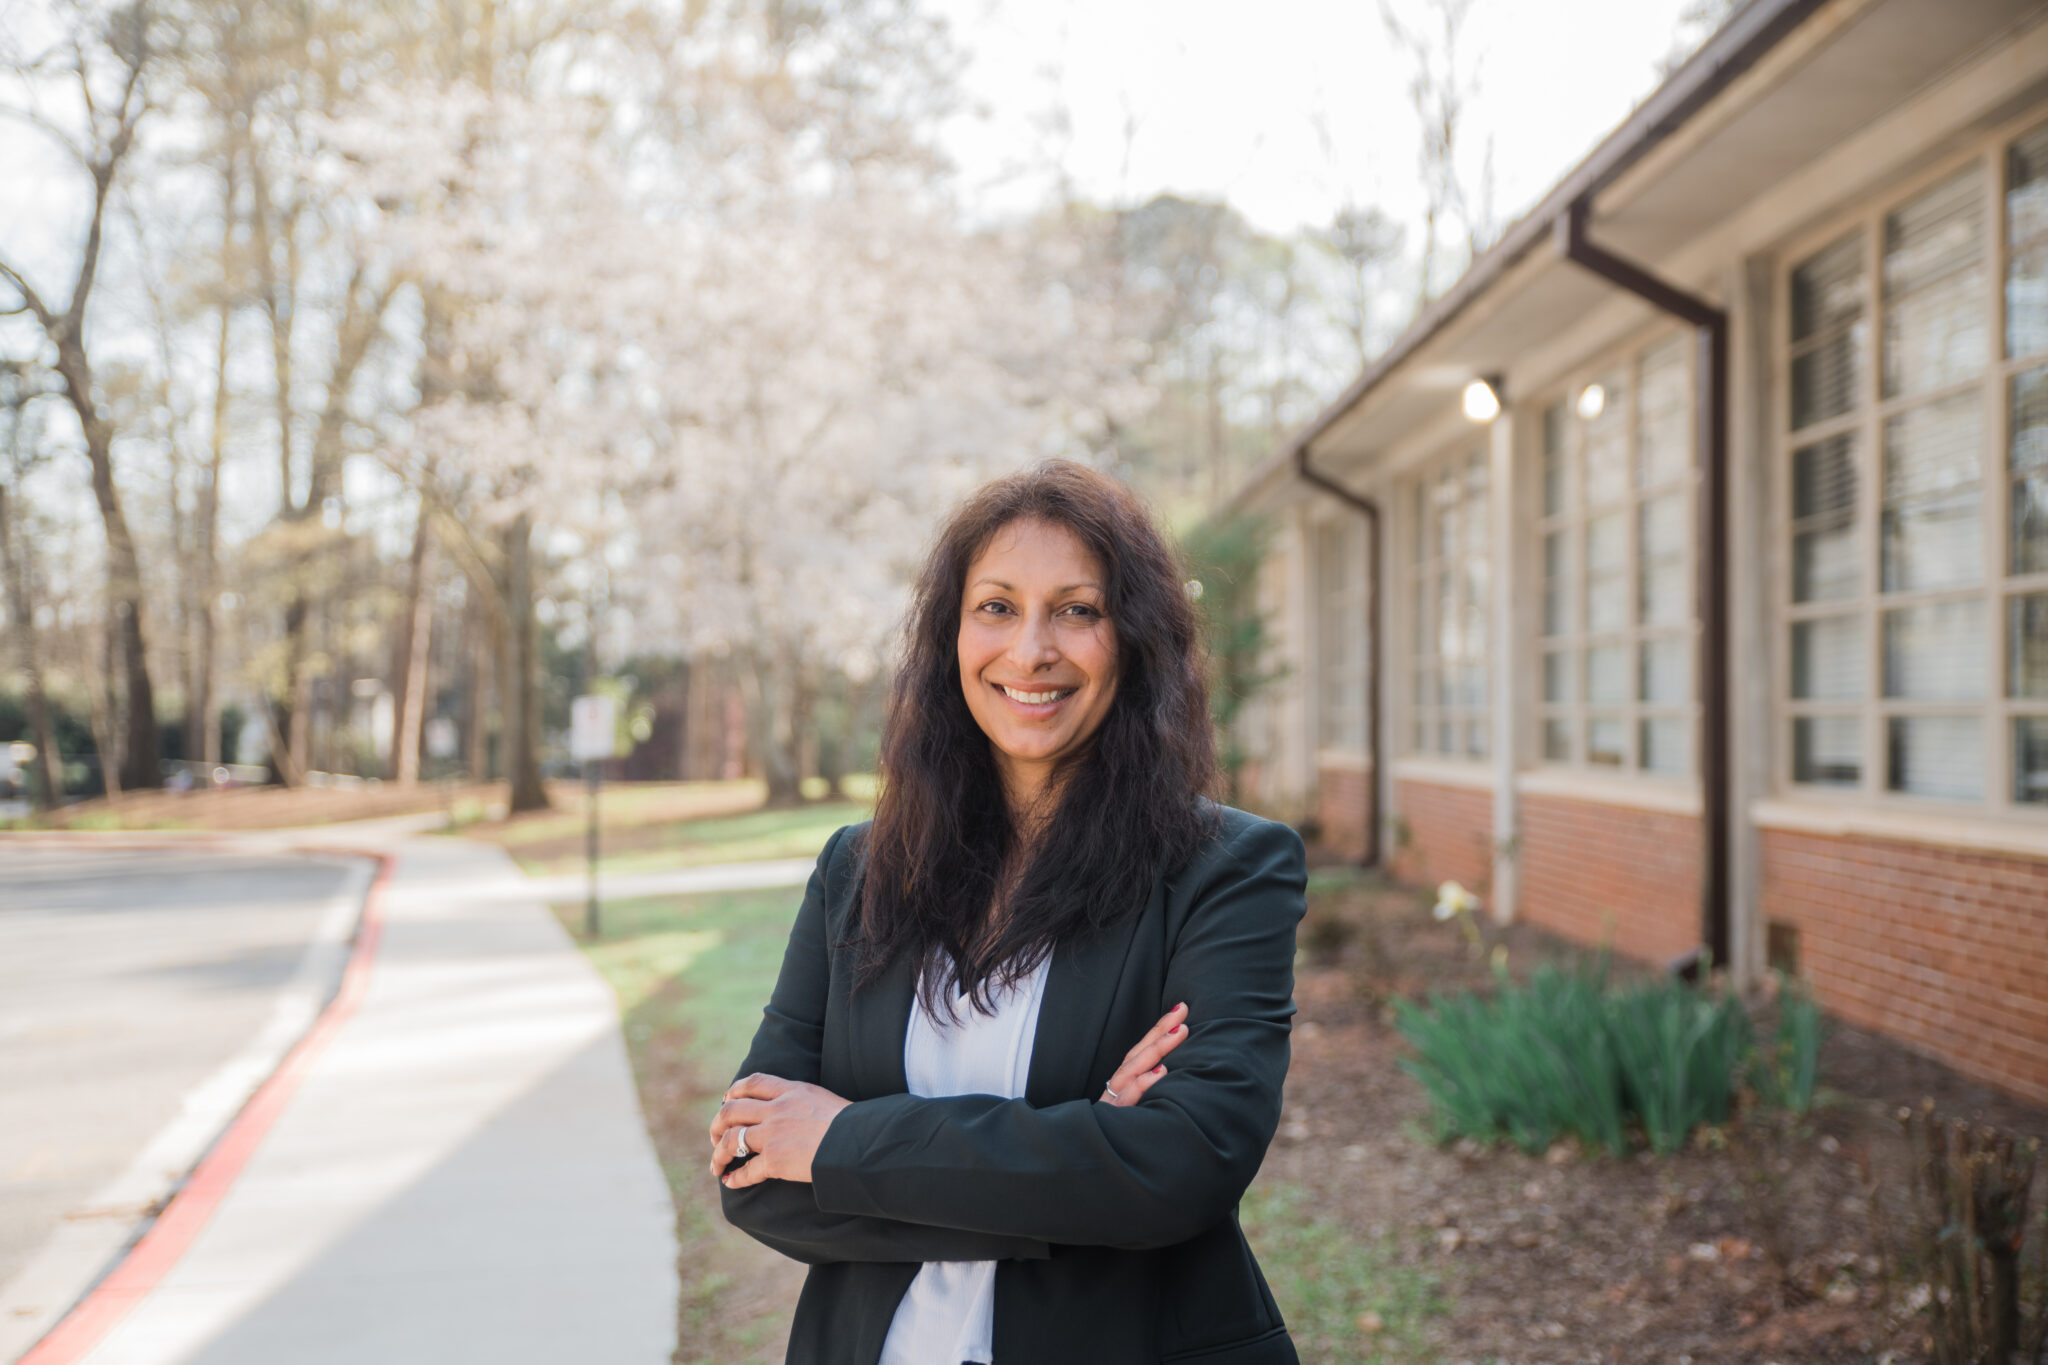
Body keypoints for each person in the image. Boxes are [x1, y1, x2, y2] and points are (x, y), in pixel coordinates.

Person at [709, 459, 1306, 1365]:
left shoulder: (1225, 869)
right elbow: (755, 1174)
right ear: (950, 635)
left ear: (1134, 636)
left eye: (1077, 609)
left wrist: (840, 1142)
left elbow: (1183, 1167)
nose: (1031, 650)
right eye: (996, 606)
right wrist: (1080, 1154)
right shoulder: (857, 869)